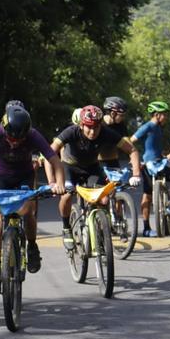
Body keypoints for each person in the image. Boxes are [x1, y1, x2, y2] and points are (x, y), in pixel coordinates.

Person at [0, 104, 65, 296]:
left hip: (25, 177)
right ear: (4, 129)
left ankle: (32, 247)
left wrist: (59, 184)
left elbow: (54, 160)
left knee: (28, 212)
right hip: (2, 178)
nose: (15, 143)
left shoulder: (33, 135)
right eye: (11, 139)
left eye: (20, 139)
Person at [51, 105, 141, 249]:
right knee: (67, 196)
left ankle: (100, 231)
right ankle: (66, 228)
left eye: (96, 127)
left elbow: (132, 150)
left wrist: (136, 174)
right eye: (89, 127)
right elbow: (50, 152)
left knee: (103, 199)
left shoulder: (106, 132)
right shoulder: (71, 132)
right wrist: (54, 182)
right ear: (81, 125)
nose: (93, 131)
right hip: (70, 167)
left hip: (92, 168)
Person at [131, 100, 170, 237]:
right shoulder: (147, 127)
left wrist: (164, 155)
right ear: (156, 114)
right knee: (147, 196)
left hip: (161, 161)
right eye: (164, 114)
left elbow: (155, 147)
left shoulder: (159, 128)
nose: (166, 117)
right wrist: (136, 158)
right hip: (149, 165)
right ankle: (146, 227)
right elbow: (130, 141)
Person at [98, 96, 130, 169]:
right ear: (113, 113)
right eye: (121, 115)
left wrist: (132, 158)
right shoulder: (98, 124)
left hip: (113, 162)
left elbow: (128, 144)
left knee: (119, 180)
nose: (123, 118)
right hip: (97, 163)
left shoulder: (121, 125)